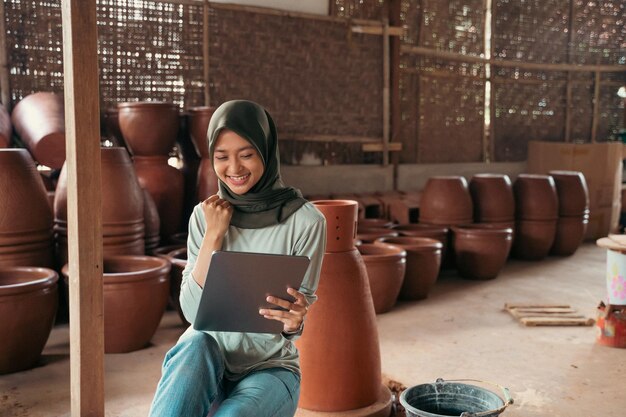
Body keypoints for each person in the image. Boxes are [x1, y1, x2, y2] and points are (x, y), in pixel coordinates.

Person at [149, 100, 326, 417]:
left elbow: (292, 324)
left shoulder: (306, 222)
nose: (234, 168)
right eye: (222, 157)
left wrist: (295, 320)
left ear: (267, 151)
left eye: (246, 154)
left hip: (269, 368)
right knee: (191, 350)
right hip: (205, 355)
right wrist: (214, 236)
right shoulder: (204, 217)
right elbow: (192, 312)